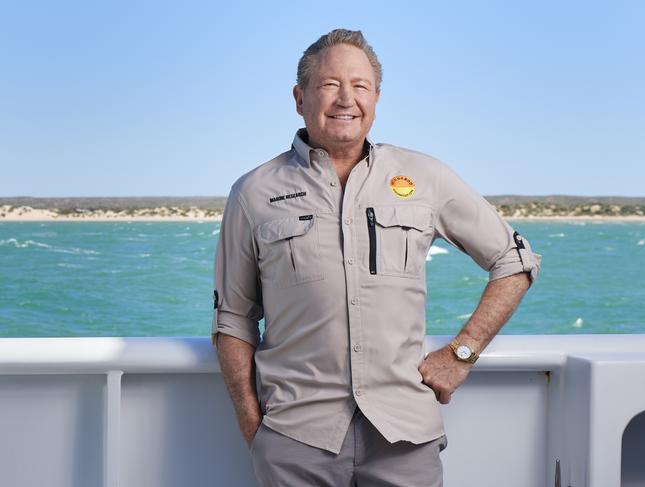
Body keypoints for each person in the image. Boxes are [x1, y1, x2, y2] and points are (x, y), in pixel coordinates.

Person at [212, 28, 541, 486]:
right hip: (295, 438)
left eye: (360, 86)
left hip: (405, 436)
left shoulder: (424, 176)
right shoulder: (253, 193)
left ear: (376, 98)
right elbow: (233, 319)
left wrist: (461, 354)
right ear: (299, 97)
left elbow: (515, 260)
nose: (346, 98)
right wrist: (254, 428)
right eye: (329, 85)